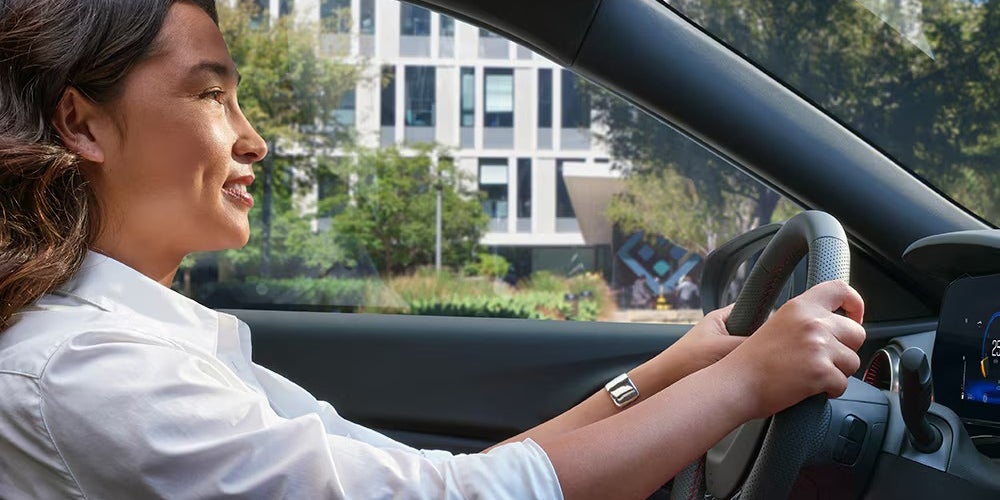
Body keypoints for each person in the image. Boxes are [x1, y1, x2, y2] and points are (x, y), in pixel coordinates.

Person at [0, 1, 866, 498]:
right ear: (83, 123)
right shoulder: (86, 370)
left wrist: (678, 367)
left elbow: (432, 477)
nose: (253, 137)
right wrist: (744, 383)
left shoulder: (142, 345)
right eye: (212, 94)